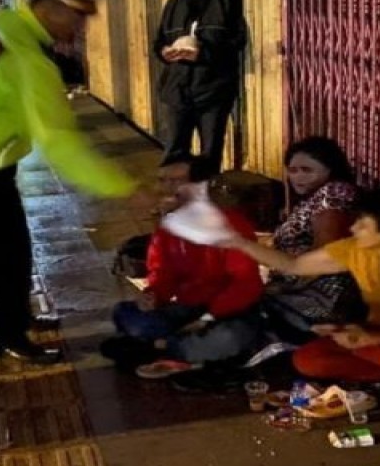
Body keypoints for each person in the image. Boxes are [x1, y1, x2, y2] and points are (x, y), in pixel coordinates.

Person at [0, 0, 148, 364]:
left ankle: (18, 317)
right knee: (2, 256)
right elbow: (60, 143)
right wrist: (126, 188)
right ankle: (7, 337)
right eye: (78, 17)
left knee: (14, 245)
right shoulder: (31, 61)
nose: (80, 28)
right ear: (51, 8)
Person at [222, 184, 380, 382]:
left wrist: (370, 340)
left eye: (363, 225)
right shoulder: (356, 249)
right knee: (308, 360)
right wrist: (241, 243)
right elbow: (294, 265)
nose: (353, 228)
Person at [105, 154, 264, 378]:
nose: (166, 189)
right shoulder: (169, 226)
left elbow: (246, 284)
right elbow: (161, 272)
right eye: (162, 181)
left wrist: (206, 319)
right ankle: (174, 350)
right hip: (187, 309)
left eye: (176, 181)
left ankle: (157, 349)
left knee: (229, 338)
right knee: (125, 313)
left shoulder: (230, 224)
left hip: (225, 312)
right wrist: (153, 295)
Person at [152, 0, 247, 168]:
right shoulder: (173, 4)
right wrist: (165, 52)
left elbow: (237, 40)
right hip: (177, 90)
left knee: (210, 154)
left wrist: (203, 54)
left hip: (213, 90)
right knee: (174, 152)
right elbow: (158, 42)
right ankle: (177, 200)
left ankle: (205, 200)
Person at [262, 137, 362, 341]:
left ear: (330, 169)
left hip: (322, 298)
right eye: (293, 170)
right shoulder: (317, 196)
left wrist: (286, 285)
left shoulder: (333, 194)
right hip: (300, 288)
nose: (298, 177)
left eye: (307, 170)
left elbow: (325, 254)